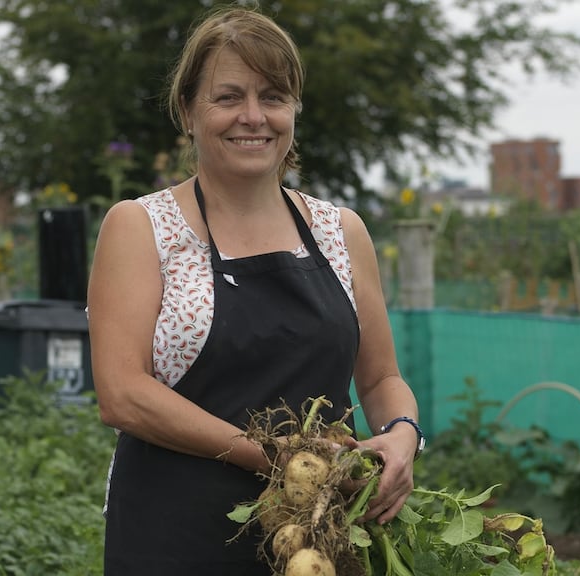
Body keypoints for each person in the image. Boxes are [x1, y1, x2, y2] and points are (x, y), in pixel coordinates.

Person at [87, 7, 422, 574]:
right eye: (228, 97)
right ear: (189, 111)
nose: (253, 117)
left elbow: (381, 378)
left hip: (317, 542)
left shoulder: (341, 232)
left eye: (273, 96)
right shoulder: (143, 227)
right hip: (175, 538)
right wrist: (282, 458)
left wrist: (402, 434)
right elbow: (123, 394)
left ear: (293, 110)